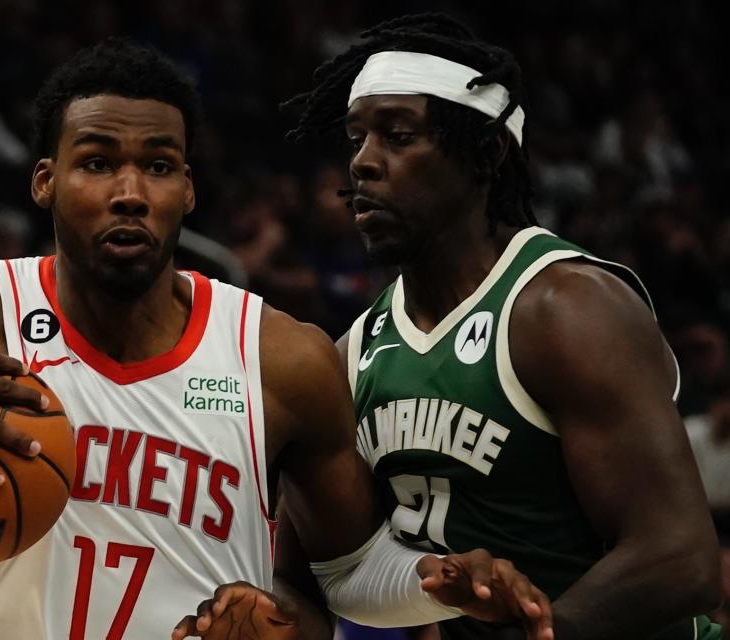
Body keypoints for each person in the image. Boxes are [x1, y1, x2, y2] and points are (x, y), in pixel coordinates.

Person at [0, 38, 554, 640]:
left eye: (157, 166)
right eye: (97, 162)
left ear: (188, 187)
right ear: (44, 180)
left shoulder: (279, 356)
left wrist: (439, 578)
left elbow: (349, 575)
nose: (128, 193)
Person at [182, 13, 723, 640]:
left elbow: (681, 558)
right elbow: (315, 584)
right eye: (356, 138)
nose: (363, 162)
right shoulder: (352, 352)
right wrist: (261, 621)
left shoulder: (564, 309)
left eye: (398, 135)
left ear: (486, 153)